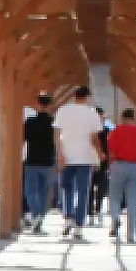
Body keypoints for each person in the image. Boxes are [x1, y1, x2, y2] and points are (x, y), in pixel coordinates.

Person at [52, 85, 102, 240]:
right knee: (83, 192)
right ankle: (79, 227)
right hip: (85, 158)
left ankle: (67, 218)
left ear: (74, 96)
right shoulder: (92, 113)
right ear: (87, 97)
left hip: (66, 155)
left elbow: (57, 133)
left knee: (67, 189)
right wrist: (99, 154)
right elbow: (94, 138)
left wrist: (59, 153)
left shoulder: (63, 110)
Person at [106, 107, 136, 243]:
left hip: (118, 165)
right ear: (134, 118)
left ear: (122, 118)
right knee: (132, 201)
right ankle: (131, 235)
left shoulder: (116, 131)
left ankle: (115, 218)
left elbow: (111, 150)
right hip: (135, 166)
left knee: (114, 196)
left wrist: (110, 166)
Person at [22, 93, 58, 232]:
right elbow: (56, 141)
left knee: (30, 191)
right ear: (49, 106)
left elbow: (23, 139)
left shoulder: (30, 122)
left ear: (38, 105)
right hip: (48, 161)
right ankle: (39, 218)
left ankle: (36, 215)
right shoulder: (54, 122)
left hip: (32, 160)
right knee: (44, 192)